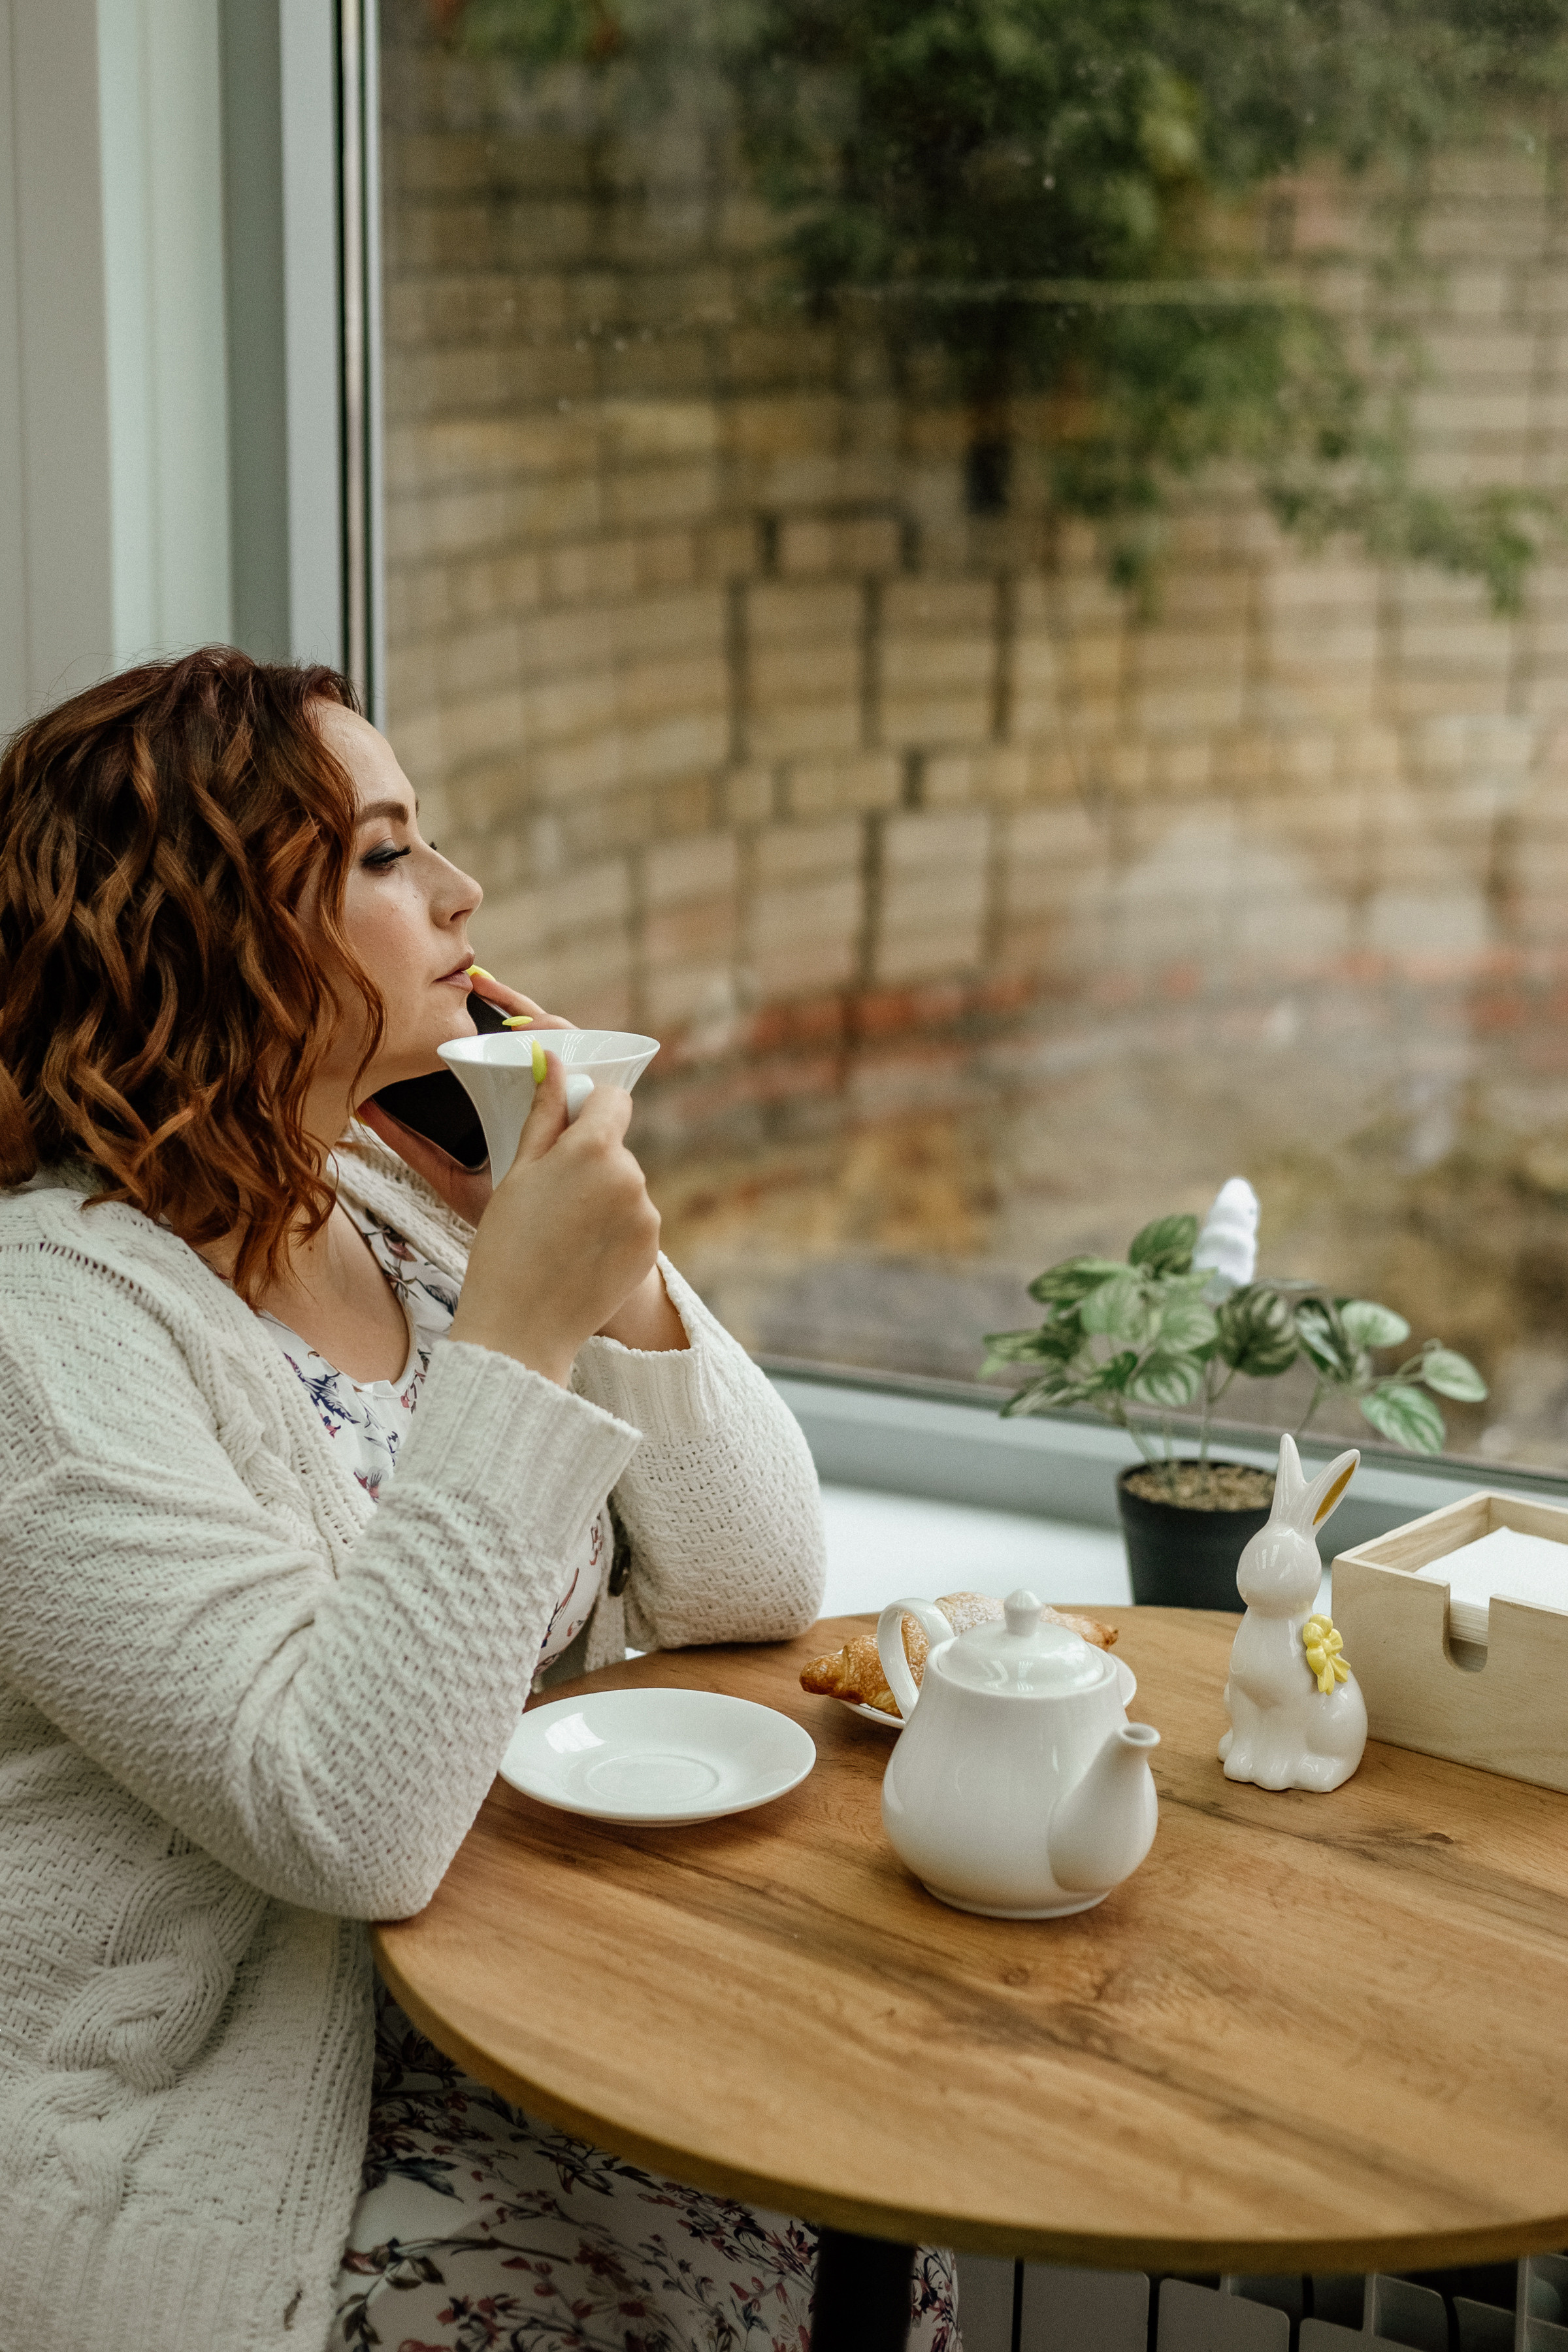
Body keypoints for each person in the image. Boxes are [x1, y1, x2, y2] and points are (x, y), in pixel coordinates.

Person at [0, 650, 960, 2352]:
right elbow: (348, 1823)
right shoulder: (47, 1329)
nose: (462, 894)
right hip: (237, 2107)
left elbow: (754, 1579)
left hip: (532, 1998)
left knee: (882, 2198)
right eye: (381, 854)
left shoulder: (385, 1201)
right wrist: (520, 1327)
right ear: (204, 922)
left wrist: (629, 1281)